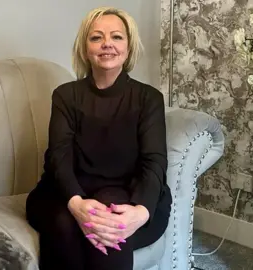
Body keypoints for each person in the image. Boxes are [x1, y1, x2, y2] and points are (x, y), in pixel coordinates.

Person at [25, 6, 172, 270]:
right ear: (85, 48)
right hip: (65, 192)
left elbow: (155, 161)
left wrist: (140, 211)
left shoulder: (149, 98)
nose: (107, 44)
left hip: (129, 192)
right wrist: (76, 204)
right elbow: (58, 157)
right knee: (64, 224)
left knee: (110, 226)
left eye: (116, 37)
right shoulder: (65, 95)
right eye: (96, 37)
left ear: (129, 47)